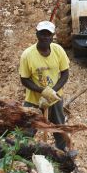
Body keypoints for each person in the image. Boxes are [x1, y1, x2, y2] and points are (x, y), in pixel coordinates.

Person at [19, 20, 70, 151]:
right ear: (37, 34)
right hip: (34, 101)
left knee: (59, 127)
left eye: (48, 34)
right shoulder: (27, 55)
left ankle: (62, 154)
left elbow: (65, 73)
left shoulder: (58, 50)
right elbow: (24, 79)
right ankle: (24, 154)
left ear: (52, 36)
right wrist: (42, 91)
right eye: (42, 34)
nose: (45, 37)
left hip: (55, 99)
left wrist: (52, 91)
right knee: (27, 130)